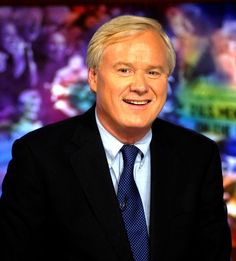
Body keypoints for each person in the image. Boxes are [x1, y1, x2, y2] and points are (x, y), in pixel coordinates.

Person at [0, 15, 231, 261]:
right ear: (93, 77)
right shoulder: (38, 156)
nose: (140, 86)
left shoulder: (198, 156)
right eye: (124, 70)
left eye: (153, 72)